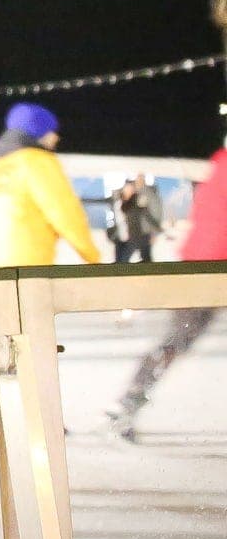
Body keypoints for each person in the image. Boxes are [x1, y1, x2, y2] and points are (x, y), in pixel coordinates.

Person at [104, 147, 227, 441]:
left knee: (175, 341)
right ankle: (127, 403)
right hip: (210, 266)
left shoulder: (220, 162)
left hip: (201, 263)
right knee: (176, 341)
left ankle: (128, 402)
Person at [0, 102, 102, 268]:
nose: (56, 137)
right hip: (27, 265)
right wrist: (92, 257)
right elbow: (65, 212)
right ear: (39, 133)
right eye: (52, 131)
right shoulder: (37, 162)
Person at [107, 178, 157, 263]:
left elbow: (148, 217)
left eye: (131, 189)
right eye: (127, 188)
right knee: (119, 262)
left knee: (124, 261)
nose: (129, 190)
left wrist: (155, 231)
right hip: (119, 237)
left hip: (132, 237)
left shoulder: (137, 203)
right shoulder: (117, 201)